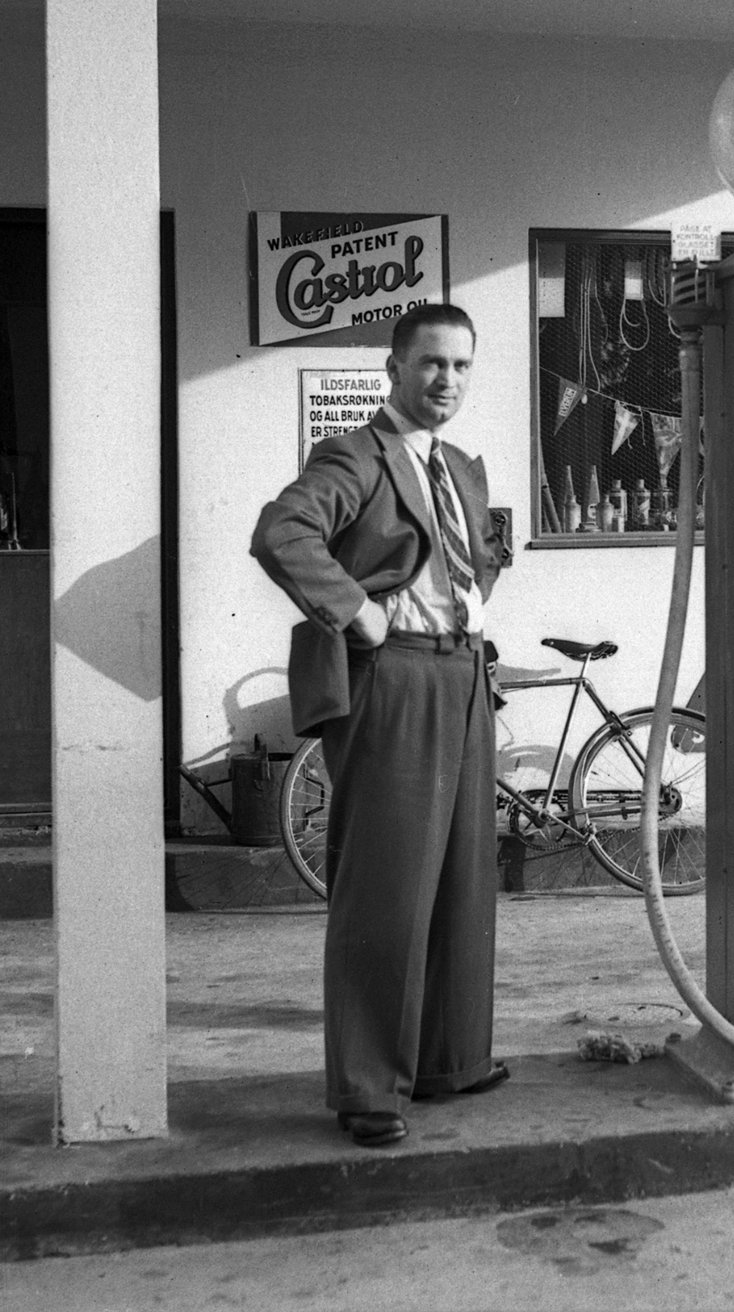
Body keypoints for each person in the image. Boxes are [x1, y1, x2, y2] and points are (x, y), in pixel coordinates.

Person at [251, 303, 507, 1146]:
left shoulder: (459, 466)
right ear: (394, 369)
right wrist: (355, 609)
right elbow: (282, 532)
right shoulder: (355, 455)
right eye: (431, 363)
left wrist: (471, 610)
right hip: (394, 680)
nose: (447, 381)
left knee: (464, 876)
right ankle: (368, 1087)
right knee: (387, 886)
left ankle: (449, 1060)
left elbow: (474, 555)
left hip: (462, 672)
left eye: (461, 366)